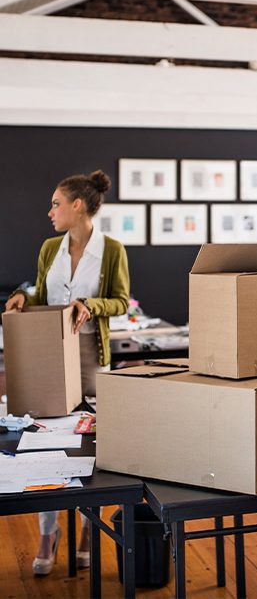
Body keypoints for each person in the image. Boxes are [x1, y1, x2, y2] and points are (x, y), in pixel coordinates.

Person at [4, 170, 130, 575]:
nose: (50, 211)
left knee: (92, 443)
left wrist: (91, 305)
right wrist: (24, 296)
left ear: (78, 206)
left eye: (57, 203)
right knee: (44, 441)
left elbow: (122, 301)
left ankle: (88, 525)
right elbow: (42, 291)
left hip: (91, 354)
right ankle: (48, 530)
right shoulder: (49, 249)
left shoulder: (112, 250)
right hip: (48, 354)